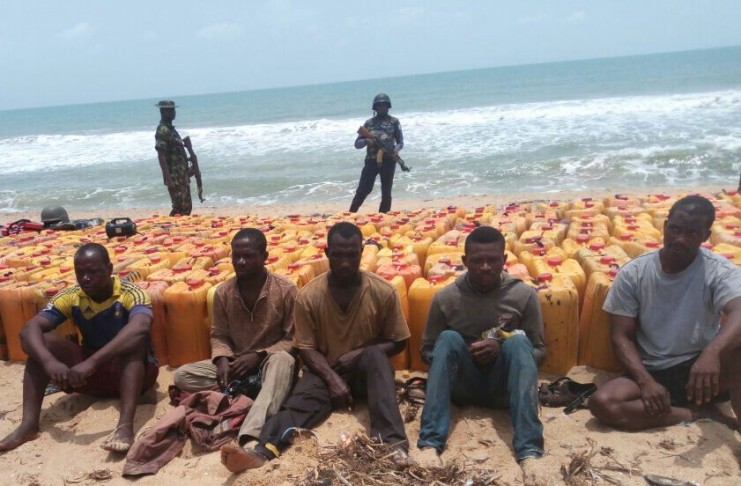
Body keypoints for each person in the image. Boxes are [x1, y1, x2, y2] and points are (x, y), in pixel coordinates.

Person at [220, 221, 412, 473]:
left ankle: (393, 445)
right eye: (338, 255)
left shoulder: (383, 291)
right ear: (327, 253)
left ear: (362, 253)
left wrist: (358, 354)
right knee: (297, 406)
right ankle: (262, 451)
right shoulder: (309, 295)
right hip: (324, 369)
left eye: (352, 255)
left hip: (368, 372)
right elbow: (306, 348)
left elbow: (399, 340)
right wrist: (333, 380)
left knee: (376, 355)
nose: (345, 262)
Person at [590, 195, 741, 431]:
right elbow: (621, 337)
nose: (680, 239)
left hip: (704, 371)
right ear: (665, 226)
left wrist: (712, 352)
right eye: (675, 229)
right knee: (603, 404)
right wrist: (645, 381)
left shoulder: (719, 271)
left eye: (692, 233)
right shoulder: (634, 273)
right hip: (654, 369)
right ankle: (694, 413)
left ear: (706, 236)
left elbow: (739, 310)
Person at [415, 226, 550, 485]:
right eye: (477, 260)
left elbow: (539, 350)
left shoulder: (523, 295)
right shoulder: (446, 297)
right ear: (465, 261)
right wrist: (461, 354)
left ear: (504, 260)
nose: (485, 267)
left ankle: (530, 451)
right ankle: (430, 444)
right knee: (448, 338)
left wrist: (502, 348)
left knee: (519, 342)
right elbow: (427, 351)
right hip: (462, 388)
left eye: (493, 260)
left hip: (504, 389)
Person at [0, 243, 158, 453]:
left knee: (132, 343)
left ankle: (124, 427)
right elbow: (29, 330)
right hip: (89, 376)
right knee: (42, 343)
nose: (85, 278)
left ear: (109, 269)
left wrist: (92, 362)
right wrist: (50, 363)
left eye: (93, 272)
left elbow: (140, 327)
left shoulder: (132, 293)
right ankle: (28, 426)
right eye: (80, 273)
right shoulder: (72, 295)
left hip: (134, 375)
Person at [172, 228, 298, 448]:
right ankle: (254, 395)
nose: (241, 262)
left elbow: (293, 339)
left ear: (264, 257)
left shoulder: (286, 290)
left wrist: (259, 355)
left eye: (248, 256)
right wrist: (222, 359)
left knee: (284, 361)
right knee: (182, 375)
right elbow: (219, 334)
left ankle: (251, 432)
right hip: (237, 364)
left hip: (270, 362)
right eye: (236, 256)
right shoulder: (223, 292)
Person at [349, 93, 404, 214]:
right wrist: (366, 141)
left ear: (388, 106)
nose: (382, 108)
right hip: (371, 161)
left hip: (389, 160)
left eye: (384, 105)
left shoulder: (394, 122)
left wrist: (396, 149)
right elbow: (357, 144)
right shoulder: (369, 123)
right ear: (375, 108)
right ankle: (351, 214)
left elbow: (400, 142)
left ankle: (383, 217)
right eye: (379, 105)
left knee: (386, 192)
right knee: (364, 189)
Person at [154, 100, 203, 216]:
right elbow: (161, 155)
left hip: (181, 176)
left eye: (173, 110)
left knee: (186, 207)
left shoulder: (171, 130)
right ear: (163, 112)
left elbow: (176, 154)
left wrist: (189, 170)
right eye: (170, 110)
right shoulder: (163, 130)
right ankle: (170, 226)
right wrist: (169, 180)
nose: (173, 112)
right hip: (174, 178)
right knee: (179, 208)